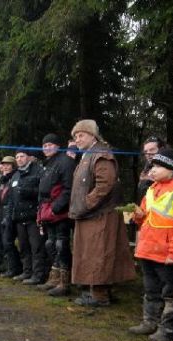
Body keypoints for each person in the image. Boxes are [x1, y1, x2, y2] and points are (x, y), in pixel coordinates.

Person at [128, 148, 173, 341]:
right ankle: (150, 321)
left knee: (171, 293)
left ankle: (170, 330)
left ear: (172, 168)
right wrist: (137, 216)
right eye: (152, 166)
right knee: (151, 289)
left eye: (158, 166)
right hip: (147, 249)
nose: (152, 170)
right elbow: (145, 217)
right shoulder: (151, 189)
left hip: (166, 253)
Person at [68, 119, 135, 306]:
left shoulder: (101, 154)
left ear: (93, 136)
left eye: (81, 135)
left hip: (100, 215)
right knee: (91, 254)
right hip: (89, 215)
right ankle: (95, 291)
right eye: (75, 136)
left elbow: (105, 184)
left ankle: (100, 295)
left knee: (99, 254)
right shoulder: (88, 155)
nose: (77, 139)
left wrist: (86, 204)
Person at [36, 133, 75, 296]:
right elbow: (42, 191)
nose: (47, 148)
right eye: (44, 145)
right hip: (47, 210)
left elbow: (68, 188)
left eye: (50, 144)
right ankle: (54, 277)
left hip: (61, 212)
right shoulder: (47, 164)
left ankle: (65, 282)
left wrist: (56, 208)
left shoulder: (66, 162)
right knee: (50, 244)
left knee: (61, 244)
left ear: (58, 146)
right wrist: (41, 212)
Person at [10, 149, 47, 284]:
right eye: (17, 157)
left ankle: (38, 275)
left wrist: (29, 192)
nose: (19, 159)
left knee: (36, 247)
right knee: (24, 247)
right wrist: (11, 215)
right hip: (19, 217)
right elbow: (11, 198)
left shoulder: (38, 171)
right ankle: (27, 272)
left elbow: (43, 192)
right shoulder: (15, 175)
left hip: (34, 216)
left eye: (22, 156)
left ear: (29, 157)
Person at [137, 136, 165, 202]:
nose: (148, 154)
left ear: (162, 149)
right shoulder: (146, 167)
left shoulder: (170, 168)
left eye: (152, 150)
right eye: (146, 151)